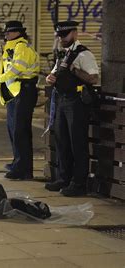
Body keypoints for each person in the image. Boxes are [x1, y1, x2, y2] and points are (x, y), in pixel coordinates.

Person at [44, 21, 99, 197]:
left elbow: (93, 78)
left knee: (77, 143)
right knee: (62, 141)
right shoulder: (62, 54)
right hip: (62, 100)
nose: (62, 38)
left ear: (75, 33)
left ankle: (78, 183)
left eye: (65, 35)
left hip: (76, 102)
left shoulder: (84, 54)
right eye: (59, 35)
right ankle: (63, 178)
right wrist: (50, 78)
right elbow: (54, 73)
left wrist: (75, 71)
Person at [0, 21, 40, 180]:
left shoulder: (21, 47)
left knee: (20, 132)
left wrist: (0, 80)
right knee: (14, 131)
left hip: (24, 92)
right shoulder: (9, 47)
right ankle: (18, 162)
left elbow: (17, 69)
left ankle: (23, 169)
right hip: (13, 95)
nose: (6, 35)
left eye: (9, 32)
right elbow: (1, 69)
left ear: (18, 32)